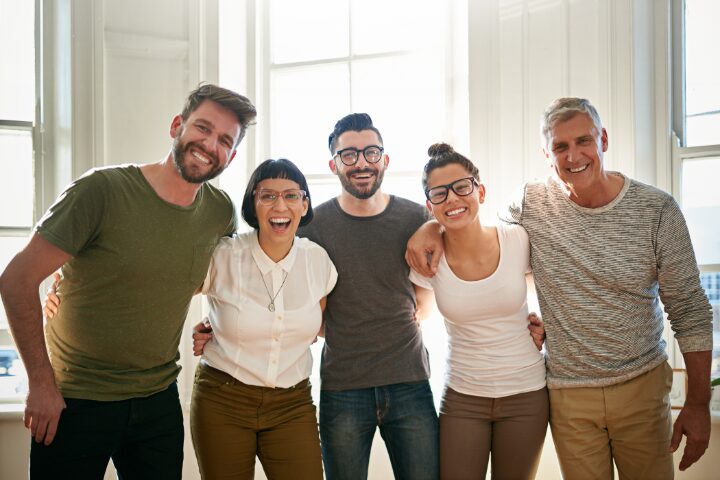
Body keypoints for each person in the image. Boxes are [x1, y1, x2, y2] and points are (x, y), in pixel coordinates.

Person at [406, 97, 714, 479]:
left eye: (583, 141)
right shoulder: (530, 205)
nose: (574, 156)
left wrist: (699, 401)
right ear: (546, 154)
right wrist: (431, 226)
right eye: (560, 147)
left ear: (602, 139)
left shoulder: (657, 210)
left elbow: (690, 309)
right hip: (568, 394)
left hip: (641, 386)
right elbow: (470, 227)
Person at [0, 84, 257, 479]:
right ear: (177, 126)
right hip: (74, 399)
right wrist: (40, 383)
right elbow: (17, 279)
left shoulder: (219, 213)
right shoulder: (102, 190)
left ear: (232, 155)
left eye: (224, 140)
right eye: (202, 128)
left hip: (157, 403)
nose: (210, 144)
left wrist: (214, 326)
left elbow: (190, 279)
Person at [300, 113, 439, 479]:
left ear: (385, 160)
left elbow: (425, 301)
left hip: (410, 381)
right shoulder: (313, 225)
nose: (362, 162)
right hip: (343, 387)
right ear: (334, 165)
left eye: (371, 152)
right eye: (349, 155)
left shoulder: (417, 217)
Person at [189, 158, 336, 479]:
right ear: (253, 204)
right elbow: (166, 293)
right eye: (267, 195)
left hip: (292, 404)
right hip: (223, 400)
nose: (279, 205)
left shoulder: (317, 261)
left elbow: (316, 327)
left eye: (291, 195)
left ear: (304, 204)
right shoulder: (224, 255)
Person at [410, 143, 548, 479]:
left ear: (480, 191)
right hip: (463, 398)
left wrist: (548, 325)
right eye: (439, 194)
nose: (453, 200)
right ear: (430, 206)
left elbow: (552, 291)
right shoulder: (429, 259)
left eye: (461, 188)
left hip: (526, 395)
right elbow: (416, 316)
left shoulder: (517, 240)